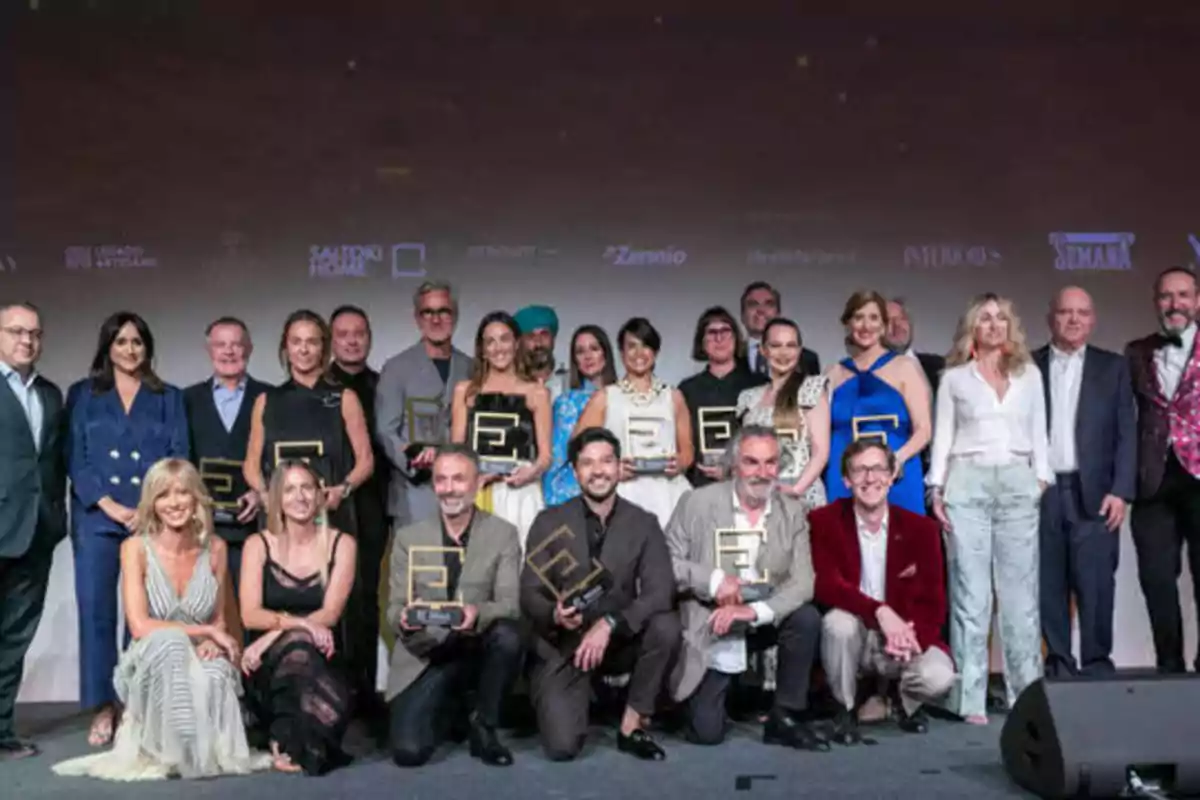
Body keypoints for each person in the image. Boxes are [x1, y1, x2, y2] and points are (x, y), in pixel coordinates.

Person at [52, 459, 270, 780]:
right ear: (151, 503)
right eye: (163, 495)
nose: (175, 503)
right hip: (152, 655)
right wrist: (206, 630)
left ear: (196, 498)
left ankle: (200, 754)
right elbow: (140, 626)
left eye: (183, 493)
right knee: (169, 643)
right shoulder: (134, 549)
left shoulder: (217, 548)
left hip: (200, 649)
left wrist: (212, 638)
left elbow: (220, 618)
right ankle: (170, 753)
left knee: (214, 670)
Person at [67, 311, 189, 747]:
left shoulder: (167, 397)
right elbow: (75, 459)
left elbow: (180, 456)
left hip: (150, 519)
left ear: (147, 348)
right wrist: (110, 505)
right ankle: (102, 707)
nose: (130, 349)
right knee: (97, 612)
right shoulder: (83, 394)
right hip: (97, 517)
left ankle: (134, 705)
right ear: (107, 348)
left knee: (144, 617)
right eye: (121, 342)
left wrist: (147, 508)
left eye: (137, 342)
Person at [928, 293, 1051, 724]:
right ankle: (970, 698)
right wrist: (936, 490)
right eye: (985, 318)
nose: (995, 324)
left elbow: (1041, 434)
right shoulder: (955, 380)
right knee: (971, 596)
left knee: (1020, 598)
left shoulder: (1030, 376)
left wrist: (1039, 480)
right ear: (973, 328)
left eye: (1001, 318)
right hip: (968, 483)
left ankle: (1026, 695)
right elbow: (942, 437)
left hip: (1017, 482)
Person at [521, 427, 679, 762]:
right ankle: (583, 694)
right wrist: (554, 614)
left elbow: (660, 591)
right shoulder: (548, 521)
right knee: (562, 748)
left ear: (620, 467)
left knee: (665, 625)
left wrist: (610, 623)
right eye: (588, 463)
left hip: (618, 638)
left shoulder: (644, 523)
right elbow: (530, 593)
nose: (599, 471)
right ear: (575, 472)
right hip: (565, 643)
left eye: (607, 461)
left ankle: (632, 724)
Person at [666, 425, 827, 751]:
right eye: (752, 462)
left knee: (806, 617)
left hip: (762, 615)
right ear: (734, 465)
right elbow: (664, 563)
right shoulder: (696, 502)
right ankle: (709, 696)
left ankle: (786, 715)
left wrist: (753, 611)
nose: (762, 473)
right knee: (706, 733)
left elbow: (803, 582)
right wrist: (712, 581)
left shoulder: (792, 511)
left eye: (770, 463)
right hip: (712, 618)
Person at [386, 445, 523, 768]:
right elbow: (393, 608)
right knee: (408, 753)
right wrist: (404, 618)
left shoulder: (503, 534)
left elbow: (509, 604)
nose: (449, 489)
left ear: (477, 483)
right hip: (428, 652)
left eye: (459, 479)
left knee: (508, 634)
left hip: (477, 645)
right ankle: (453, 709)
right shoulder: (408, 537)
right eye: (441, 480)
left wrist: (476, 614)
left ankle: (484, 726)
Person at [811, 440, 955, 745]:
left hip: (902, 638)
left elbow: (934, 601)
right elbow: (827, 584)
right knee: (838, 623)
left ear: (891, 477)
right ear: (847, 481)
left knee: (939, 676)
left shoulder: (922, 529)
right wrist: (879, 611)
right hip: (857, 636)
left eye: (878, 469)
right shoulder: (824, 522)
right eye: (860, 470)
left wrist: (911, 637)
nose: (870, 478)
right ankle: (845, 710)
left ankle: (902, 702)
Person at [1034, 287, 1135, 677]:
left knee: (1095, 585)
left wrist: (1121, 490)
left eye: (1082, 313)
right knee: (1049, 582)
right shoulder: (1028, 366)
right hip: (1043, 492)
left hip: (1095, 493)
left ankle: (1096, 664)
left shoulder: (1112, 367)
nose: (1073, 319)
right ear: (1051, 318)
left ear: (1092, 320)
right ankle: (1058, 662)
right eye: (1065, 312)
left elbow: (1127, 432)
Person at [238, 460, 357, 775]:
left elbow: (330, 613)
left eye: (307, 487)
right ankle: (290, 737)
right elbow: (250, 615)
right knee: (299, 643)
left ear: (320, 495)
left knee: (303, 647)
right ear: (277, 498)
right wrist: (300, 624)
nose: (300, 496)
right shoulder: (257, 545)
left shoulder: (342, 544)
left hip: (323, 657)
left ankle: (289, 739)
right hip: (267, 667)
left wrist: (273, 634)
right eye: (289, 489)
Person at [0, 301, 66, 761]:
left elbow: (52, 462)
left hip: (35, 533)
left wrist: (56, 516)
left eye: (35, 333)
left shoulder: (50, 394)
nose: (27, 341)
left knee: (14, 638)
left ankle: (2, 731)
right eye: (16, 331)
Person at [1125, 267, 1200, 673]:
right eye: (1167, 297)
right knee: (1156, 579)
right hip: (1153, 480)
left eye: (1183, 295)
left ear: (1198, 300)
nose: (1175, 305)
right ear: (1157, 303)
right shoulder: (1136, 352)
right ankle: (1169, 666)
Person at [244, 309, 374, 539]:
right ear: (286, 348)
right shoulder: (266, 401)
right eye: (296, 342)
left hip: (332, 518)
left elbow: (365, 461)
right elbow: (251, 466)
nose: (303, 349)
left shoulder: (345, 398)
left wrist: (342, 490)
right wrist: (266, 495)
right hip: (280, 520)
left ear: (323, 347)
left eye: (312, 342)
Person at [328, 304, 390, 714]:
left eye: (360, 333)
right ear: (331, 340)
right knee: (327, 600)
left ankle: (365, 695)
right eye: (344, 334)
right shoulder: (317, 385)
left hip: (371, 506)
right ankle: (328, 692)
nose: (352, 340)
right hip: (322, 509)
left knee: (366, 600)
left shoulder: (384, 385)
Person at [576, 317, 692, 528]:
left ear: (655, 352)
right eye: (631, 346)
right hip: (623, 491)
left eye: (646, 346)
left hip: (668, 494)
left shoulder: (673, 397)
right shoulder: (605, 397)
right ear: (621, 353)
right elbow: (577, 446)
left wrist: (680, 463)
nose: (639, 353)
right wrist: (609, 468)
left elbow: (688, 451)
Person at [376, 281, 473, 529]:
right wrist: (416, 463)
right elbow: (386, 431)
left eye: (444, 311)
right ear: (417, 319)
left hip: (465, 497)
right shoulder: (396, 368)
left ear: (456, 316)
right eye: (427, 312)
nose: (436, 319)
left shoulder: (472, 368)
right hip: (414, 496)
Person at [826, 291, 932, 514]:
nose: (866, 326)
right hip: (844, 477)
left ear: (884, 326)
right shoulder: (833, 374)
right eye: (858, 317)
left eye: (874, 318)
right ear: (847, 323)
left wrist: (894, 461)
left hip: (896, 475)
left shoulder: (905, 367)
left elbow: (924, 430)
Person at [450, 311, 550, 547]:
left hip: (520, 492)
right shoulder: (465, 391)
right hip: (479, 492)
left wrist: (531, 472)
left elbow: (545, 457)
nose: (498, 348)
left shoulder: (537, 392)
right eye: (490, 341)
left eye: (504, 339)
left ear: (516, 344)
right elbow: (456, 452)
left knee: (521, 565)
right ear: (482, 350)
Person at [183, 317, 268, 591]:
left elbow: (281, 461)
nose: (229, 352)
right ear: (209, 351)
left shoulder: (271, 397)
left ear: (249, 349)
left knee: (250, 613)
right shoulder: (186, 400)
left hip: (255, 527)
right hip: (200, 530)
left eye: (236, 345)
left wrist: (261, 493)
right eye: (221, 345)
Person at [735, 317, 829, 510]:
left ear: (799, 350)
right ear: (763, 350)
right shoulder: (749, 397)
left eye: (791, 345)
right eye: (776, 345)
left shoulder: (812, 389)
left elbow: (820, 452)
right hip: (758, 497)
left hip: (803, 496)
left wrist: (796, 489)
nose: (784, 353)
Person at [679, 306, 767, 488]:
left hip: (750, 485)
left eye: (725, 331)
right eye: (712, 333)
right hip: (700, 485)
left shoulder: (759, 385)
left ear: (736, 338)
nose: (719, 339)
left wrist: (734, 469)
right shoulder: (687, 389)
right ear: (702, 342)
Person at [544, 325, 618, 506]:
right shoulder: (567, 403)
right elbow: (558, 459)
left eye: (594, 349)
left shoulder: (624, 397)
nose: (588, 356)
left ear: (606, 354)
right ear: (574, 360)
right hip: (580, 497)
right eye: (580, 351)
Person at [740, 281, 820, 376]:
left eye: (769, 304)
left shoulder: (807, 358)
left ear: (778, 314)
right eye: (753, 304)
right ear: (743, 315)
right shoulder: (730, 355)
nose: (761, 310)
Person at [885, 297, 946, 397]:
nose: (897, 325)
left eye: (902, 318)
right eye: (888, 320)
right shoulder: (862, 375)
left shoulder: (941, 367)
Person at [514, 304, 568, 401]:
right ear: (519, 343)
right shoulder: (510, 385)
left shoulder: (569, 384)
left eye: (544, 334)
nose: (538, 342)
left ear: (553, 339)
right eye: (530, 336)